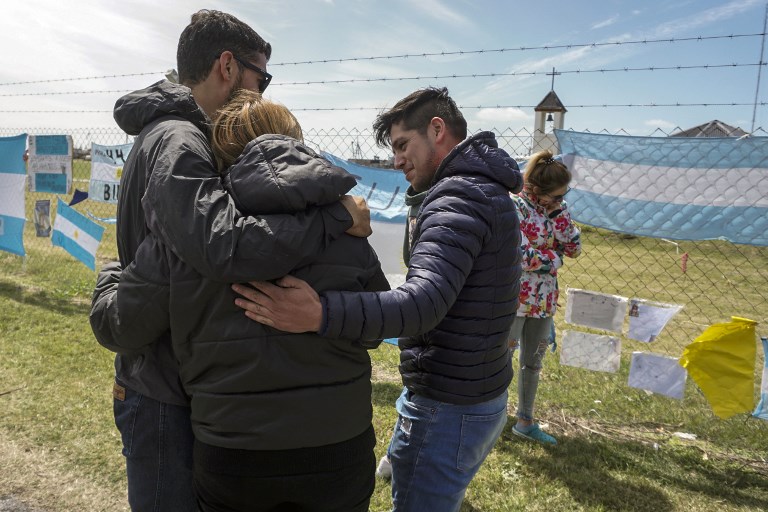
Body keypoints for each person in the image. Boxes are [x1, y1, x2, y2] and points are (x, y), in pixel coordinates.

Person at [103, 10, 371, 511]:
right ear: (227, 66)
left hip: (173, 371)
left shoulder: (170, 135)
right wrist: (333, 217)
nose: (263, 93)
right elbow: (223, 245)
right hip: (160, 385)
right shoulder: (181, 140)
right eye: (261, 77)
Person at [231, 86, 523, 512]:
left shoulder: (457, 196)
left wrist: (319, 313)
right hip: (472, 388)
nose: (397, 160)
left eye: (403, 145)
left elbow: (420, 305)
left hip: (448, 402)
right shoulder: (483, 188)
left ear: (437, 130)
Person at [508, 150, 582, 445]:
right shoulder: (516, 208)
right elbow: (519, 256)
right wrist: (555, 258)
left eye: (565, 196)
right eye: (557, 196)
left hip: (543, 301)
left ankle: (525, 421)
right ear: (538, 191)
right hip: (514, 299)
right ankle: (491, 416)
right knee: (502, 358)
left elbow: (574, 249)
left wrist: (560, 216)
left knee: (533, 362)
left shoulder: (556, 212)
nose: (561, 201)